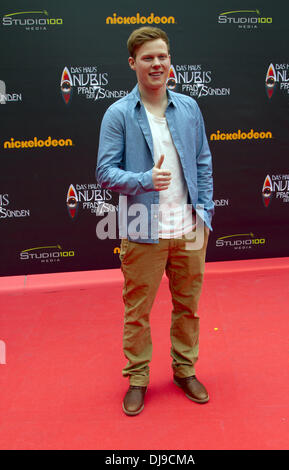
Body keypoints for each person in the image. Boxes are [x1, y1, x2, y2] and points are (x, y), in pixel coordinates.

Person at [96, 27, 214, 416]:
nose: (157, 64)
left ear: (170, 61)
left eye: (162, 56)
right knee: (137, 312)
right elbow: (104, 173)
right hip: (141, 229)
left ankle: (184, 370)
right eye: (148, 58)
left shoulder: (189, 108)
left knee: (188, 307)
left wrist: (205, 215)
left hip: (190, 229)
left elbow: (202, 162)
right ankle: (138, 378)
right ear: (133, 64)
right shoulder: (118, 114)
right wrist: (144, 180)